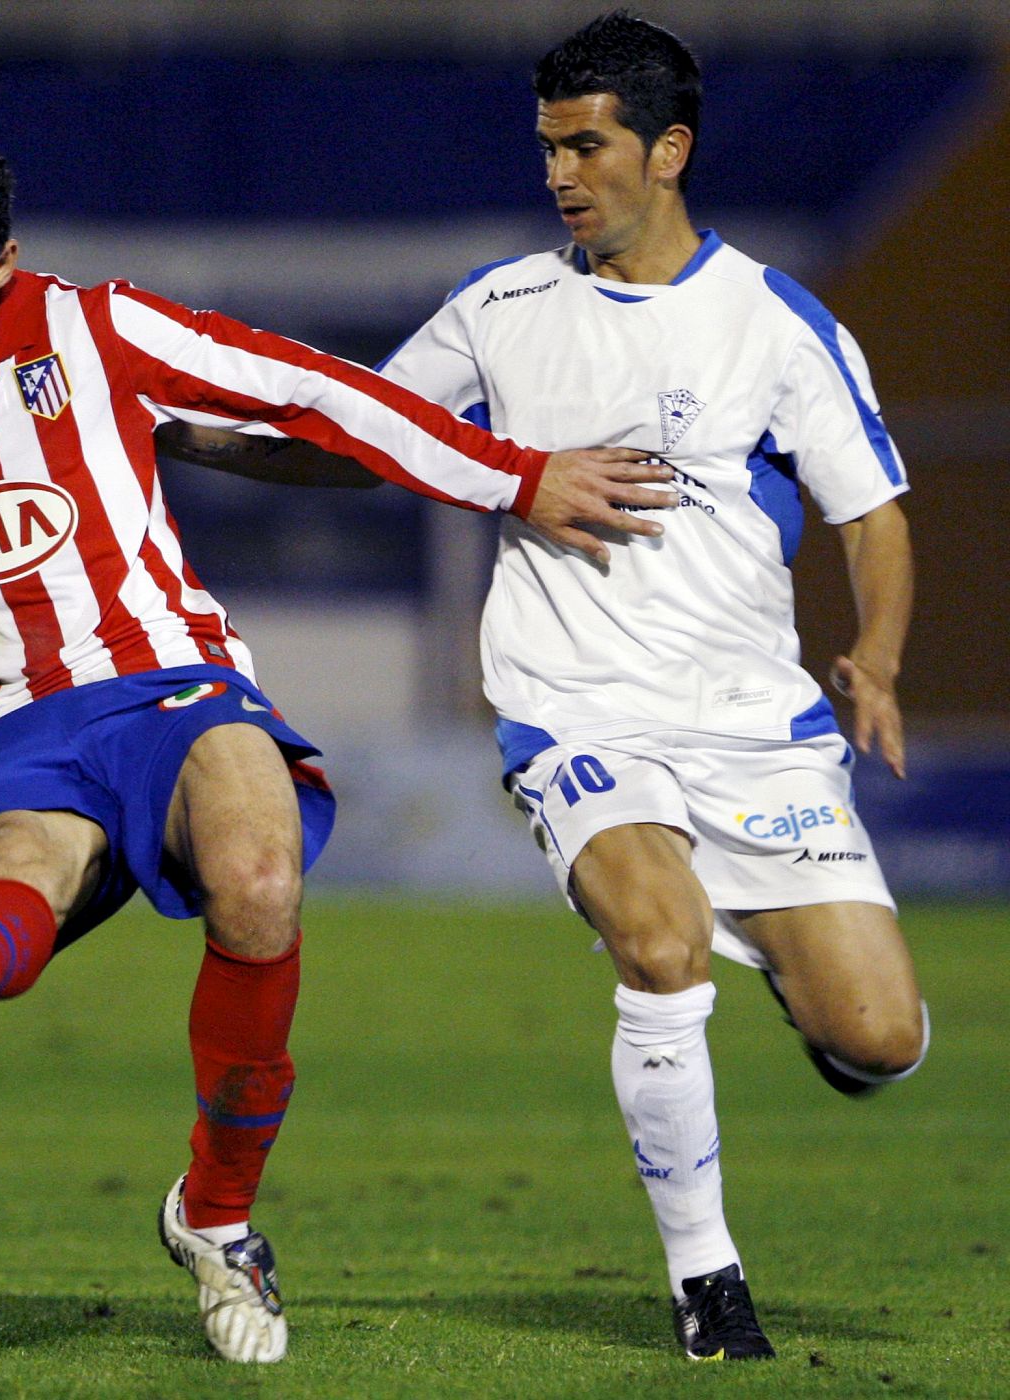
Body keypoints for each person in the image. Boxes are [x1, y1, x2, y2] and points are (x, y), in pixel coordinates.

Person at [0, 133, 671, 1364]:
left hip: (170, 681)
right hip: (9, 727)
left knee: (260, 874)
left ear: (3, 266)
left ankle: (217, 1215)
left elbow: (312, 390)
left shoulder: (99, 330)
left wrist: (514, 475)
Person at [169, 8, 929, 1365]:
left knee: (882, 1039)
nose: (563, 174)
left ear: (670, 150)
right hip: (577, 709)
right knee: (657, 945)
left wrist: (874, 655)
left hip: (756, 729)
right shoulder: (502, 310)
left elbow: (873, 511)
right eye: (549, 148)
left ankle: (806, 987)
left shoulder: (774, 324)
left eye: (589, 146)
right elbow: (371, 437)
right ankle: (710, 1289)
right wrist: (206, 446)